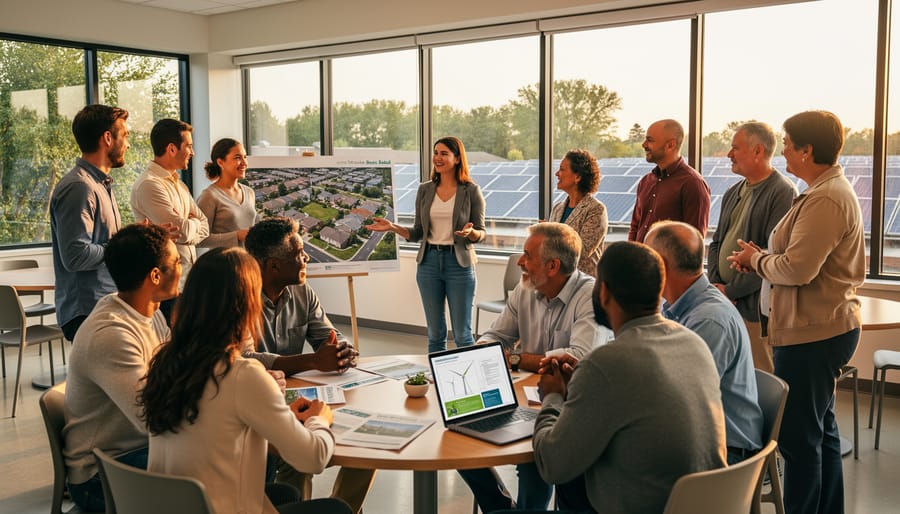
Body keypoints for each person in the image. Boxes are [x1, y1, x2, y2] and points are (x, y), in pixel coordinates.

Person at [140, 247, 352, 514]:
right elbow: (313, 458)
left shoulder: (165, 361)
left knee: (287, 493)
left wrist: (275, 411)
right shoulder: (242, 374)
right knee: (336, 509)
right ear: (246, 305)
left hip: (177, 505)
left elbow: (217, 420)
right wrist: (320, 418)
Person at [729, 110, 865, 514]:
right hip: (812, 330)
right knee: (819, 432)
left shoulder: (826, 197)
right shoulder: (819, 190)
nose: (782, 149)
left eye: (788, 143)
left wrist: (757, 261)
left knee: (799, 440)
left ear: (807, 150)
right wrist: (764, 259)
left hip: (814, 335)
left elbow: (798, 269)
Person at [525, 241, 726, 514]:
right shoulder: (694, 343)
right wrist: (580, 386)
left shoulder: (605, 364)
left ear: (604, 292)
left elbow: (551, 465)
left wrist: (552, 395)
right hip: (701, 503)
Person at [458, 222, 609, 513]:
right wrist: (483, 352)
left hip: (567, 402)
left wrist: (513, 358)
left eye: (527, 255)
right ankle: (499, 506)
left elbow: (576, 359)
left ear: (553, 266)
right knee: (460, 433)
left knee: (535, 459)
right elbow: (494, 338)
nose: (520, 262)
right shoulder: (524, 289)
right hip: (523, 396)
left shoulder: (588, 296)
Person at [244, 217, 372, 513]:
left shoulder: (303, 291)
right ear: (274, 265)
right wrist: (314, 360)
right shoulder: (240, 296)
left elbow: (325, 334)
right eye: (298, 253)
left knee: (364, 447)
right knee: (299, 457)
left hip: (298, 401)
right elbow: (245, 359)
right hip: (256, 407)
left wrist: (340, 349)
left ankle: (340, 508)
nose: (306, 258)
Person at [63, 223, 179, 511]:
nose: (182, 266)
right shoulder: (112, 334)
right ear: (155, 276)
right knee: (228, 463)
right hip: (104, 475)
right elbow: (154, 418)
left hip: (138, 448)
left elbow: (174, 373)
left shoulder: (148, 313)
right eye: (177, 262)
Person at [645, 220, 764, 464]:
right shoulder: (677, 307)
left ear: (662, 264)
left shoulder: (708, 321)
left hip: (724, 452)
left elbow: (680, 400)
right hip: (702, 437)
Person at [366, 136, 486, 352]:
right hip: (428, 263)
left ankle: (469, 385)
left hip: (459, 265)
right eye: (435, 153)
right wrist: (392, 227)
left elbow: (482, 233)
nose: (437, 158)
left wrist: (471, 233)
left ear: (457, 159)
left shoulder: (471, 190)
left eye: (443, 154)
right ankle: (437, 381)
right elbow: (417, 232)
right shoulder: (425, 190)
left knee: (462, 334)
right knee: (435, 334)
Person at [707, 122, 797, 373]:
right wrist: (716, 285)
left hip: (753, 310)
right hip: (724, 300)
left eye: (735, 148)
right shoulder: (732, 192)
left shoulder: (782, 192)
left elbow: (774, 258)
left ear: (758, 151)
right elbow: (716, 243)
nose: (728, 154)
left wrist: (731, 292)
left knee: (760, 380)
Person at [50, 104, 129, 341]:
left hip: (102, 303)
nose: (128, 143)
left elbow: (103, 241)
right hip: (87, 310)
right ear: (107, 138)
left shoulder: (100, 185)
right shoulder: (80, 187)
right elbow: (75, 256)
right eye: (124, 135)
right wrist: (121, 248)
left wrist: (134, 237)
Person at [131, 118, 209, 319]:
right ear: (172, 149)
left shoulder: (180, 185)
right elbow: (181, 231)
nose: (193, 153)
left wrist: (189, 225)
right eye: (189, 146)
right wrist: (193, 223)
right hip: (165, 289)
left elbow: (205, 225)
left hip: (186, 285)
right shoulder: (150, 185)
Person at [628, 119, 710, 242]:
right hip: (640, 260)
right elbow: (635, 227)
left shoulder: (693, 183)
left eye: (650, 140)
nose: (644, 145)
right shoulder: (646, 181)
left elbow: (694, 240)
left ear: (670, 145)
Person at [548, 149, 607, 278]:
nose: (557, 174)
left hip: (582, 284)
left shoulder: (596, 209)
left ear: (578, 177)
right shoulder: (557, 208)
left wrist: (550, 234)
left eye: (562, 169)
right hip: (557, 282)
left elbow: (582, 251)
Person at [198, 137, 257, 249]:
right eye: (237, 158)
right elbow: (200, 239)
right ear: (221, 162)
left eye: (245, 157)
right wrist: (237, 236)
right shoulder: (209, 196)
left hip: (248, 262)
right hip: (223, 263)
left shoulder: (249, 192)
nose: (244, 163)